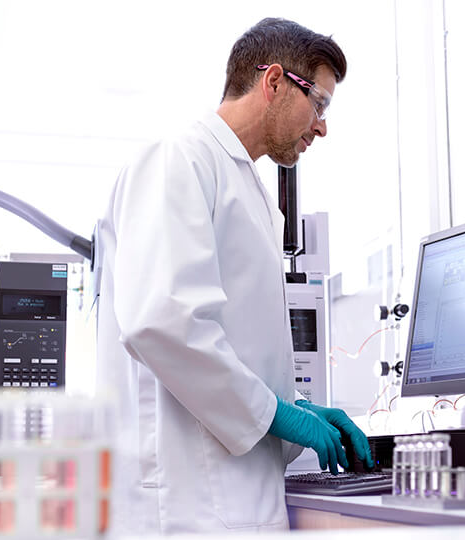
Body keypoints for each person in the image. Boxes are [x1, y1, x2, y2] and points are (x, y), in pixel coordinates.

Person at [96, 18, 373, 535]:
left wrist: (300, 409)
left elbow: (244, 350)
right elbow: (162, 321)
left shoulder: (251, 191)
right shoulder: (179, 159)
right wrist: (277, 415)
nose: (322, 126)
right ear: (273, 82)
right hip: (185, 501)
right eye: (320, 104)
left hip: (237, 495)